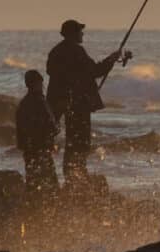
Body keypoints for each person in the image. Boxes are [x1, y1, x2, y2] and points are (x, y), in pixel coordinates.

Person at [46, 19, 127, 187]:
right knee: (80, 143)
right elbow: (95, 71)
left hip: (64, 105)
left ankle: (72, 177)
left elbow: (54, 75)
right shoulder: (76, 51)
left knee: (71, 143)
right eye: (80, 31)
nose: (82, 34)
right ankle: (77, 177)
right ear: (73, 34)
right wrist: (112, 58)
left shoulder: (55, 52)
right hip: (78, 105)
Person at [15, 69, 59, 195]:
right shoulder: (40, 102)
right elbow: (49, 126)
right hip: (41, 149)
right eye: (40, 83)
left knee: (32, 181)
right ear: (36, 84)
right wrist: (55, 128)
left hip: (29, 151)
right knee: (51, 182)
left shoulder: (23, 104)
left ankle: (33, 207)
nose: (42, 86)